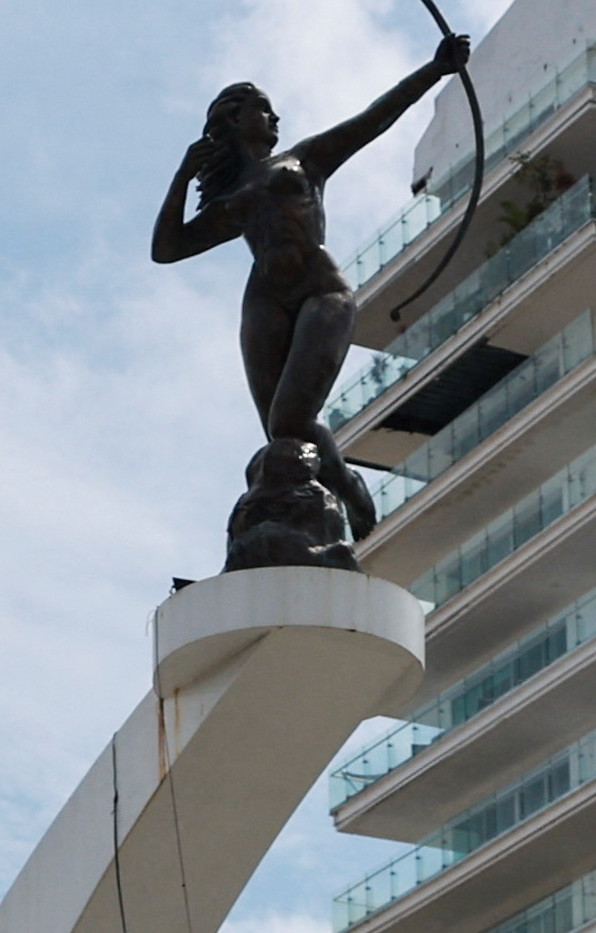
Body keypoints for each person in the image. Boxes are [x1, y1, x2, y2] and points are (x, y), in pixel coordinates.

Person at [147, 29, 471, 564]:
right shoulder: (229, 200)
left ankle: (346, 485)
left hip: (321, 291)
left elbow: (371, 120)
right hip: (265, 302)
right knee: (282, 432)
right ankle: (306, 512)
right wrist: (183, 175)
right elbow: (167, 248)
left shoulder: (304, 161)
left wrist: (434, 70)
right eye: (263, 111)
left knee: (294, 417)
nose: (275, 121)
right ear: (233, 119)